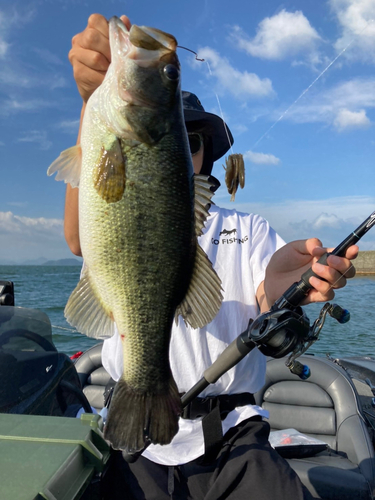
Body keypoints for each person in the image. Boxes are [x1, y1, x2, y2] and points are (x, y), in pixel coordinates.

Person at [65, 14, 358, 500]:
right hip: (135, 440)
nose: (188, 146)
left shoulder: (248, 229)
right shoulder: (113, 182)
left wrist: (285, 287)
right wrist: (89, 104)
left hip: (235, 439)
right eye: (182, 135)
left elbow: (267, 290)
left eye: (194, 140)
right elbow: (79, 238)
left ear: (200, 154)